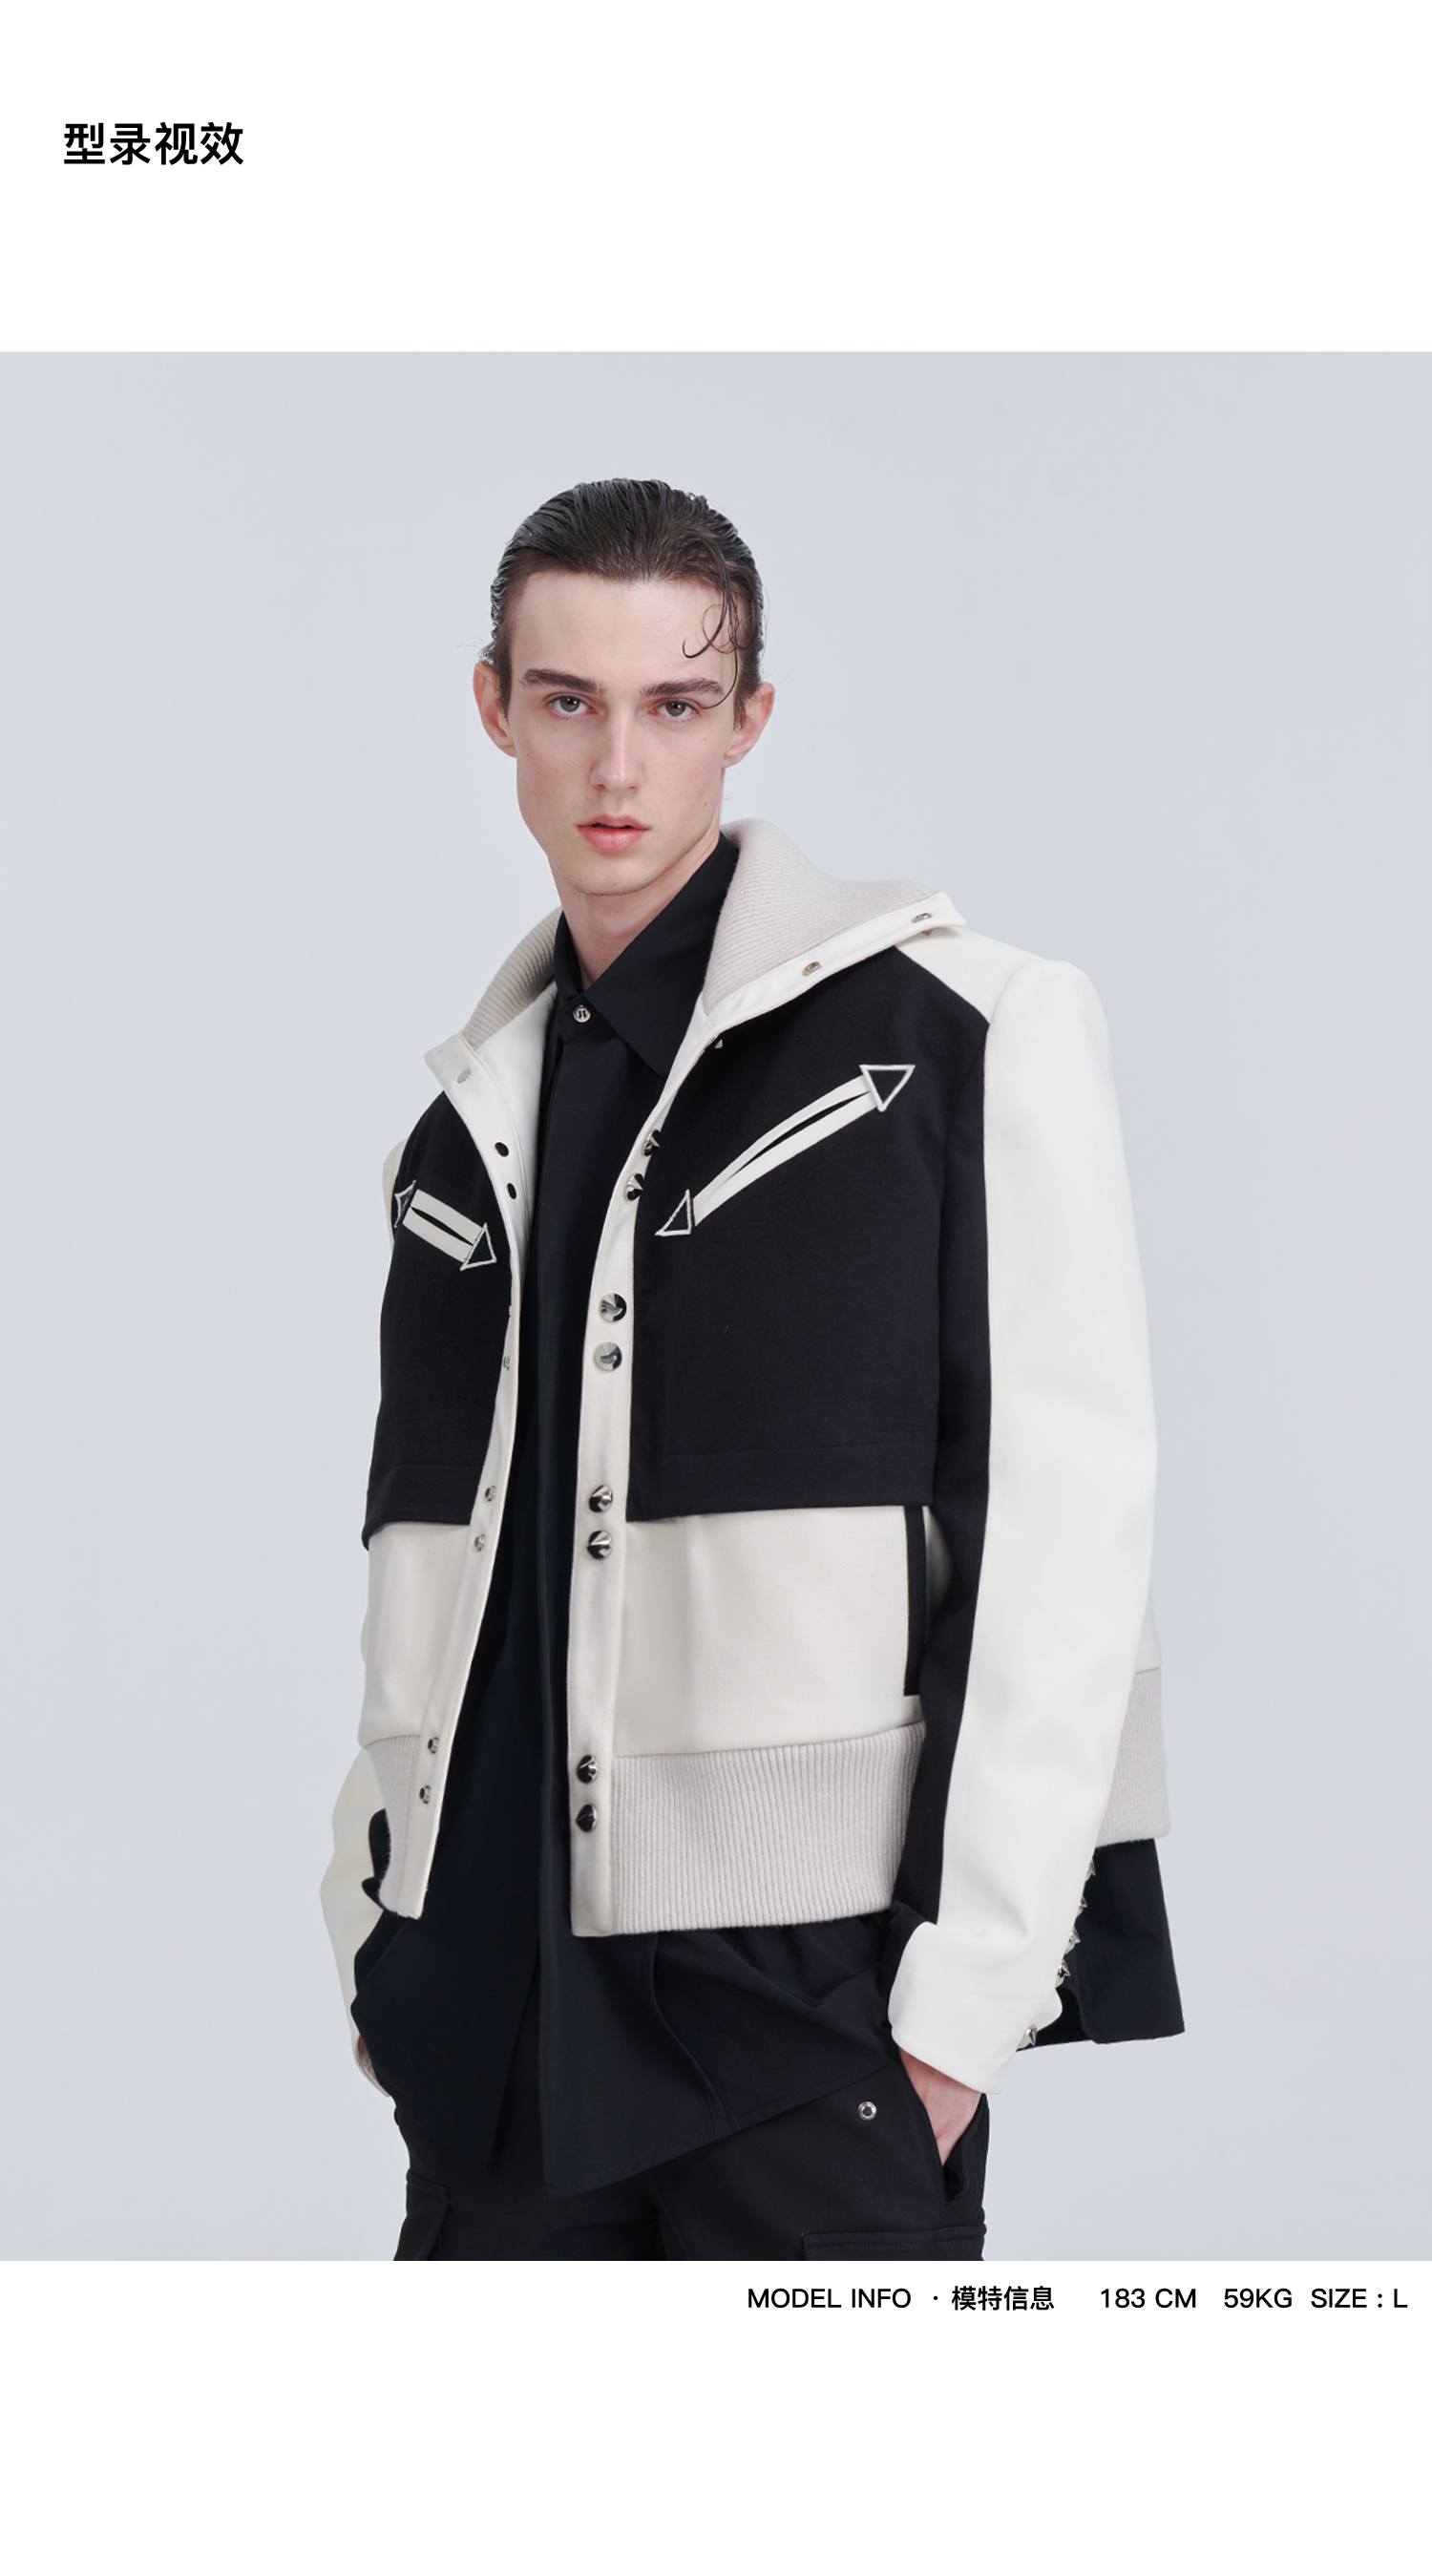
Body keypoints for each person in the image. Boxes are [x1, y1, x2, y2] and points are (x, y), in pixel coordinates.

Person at [321, 477, 1182, 2262]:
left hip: (803, 2039)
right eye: (568, 700)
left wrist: (964, 2012)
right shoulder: (463, 1128)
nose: (618, 763)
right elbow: (438, 1554)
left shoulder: (960, 1034)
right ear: (494, 709)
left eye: (677, 703)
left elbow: (1061, 1544)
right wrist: (374, 1918)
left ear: (751, 718)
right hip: (488, 2030)